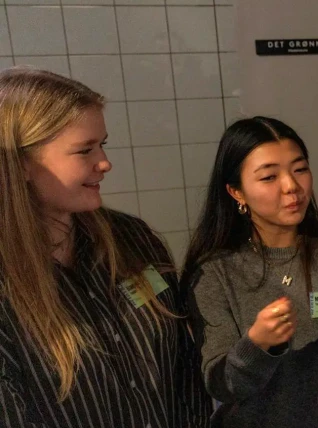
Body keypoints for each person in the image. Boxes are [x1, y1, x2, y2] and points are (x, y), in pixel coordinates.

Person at [0, 67, 212, 427]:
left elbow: (184, 365)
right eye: (84, 150)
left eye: (103, 144)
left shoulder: (133, 240)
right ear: (21, 165)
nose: (105, 163)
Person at [181, 116, 318, 427]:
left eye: (299, 169)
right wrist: (258, 344)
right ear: (237, 192)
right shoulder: (214, 272)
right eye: (268, 177)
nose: (292, 186)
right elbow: (221, 384)